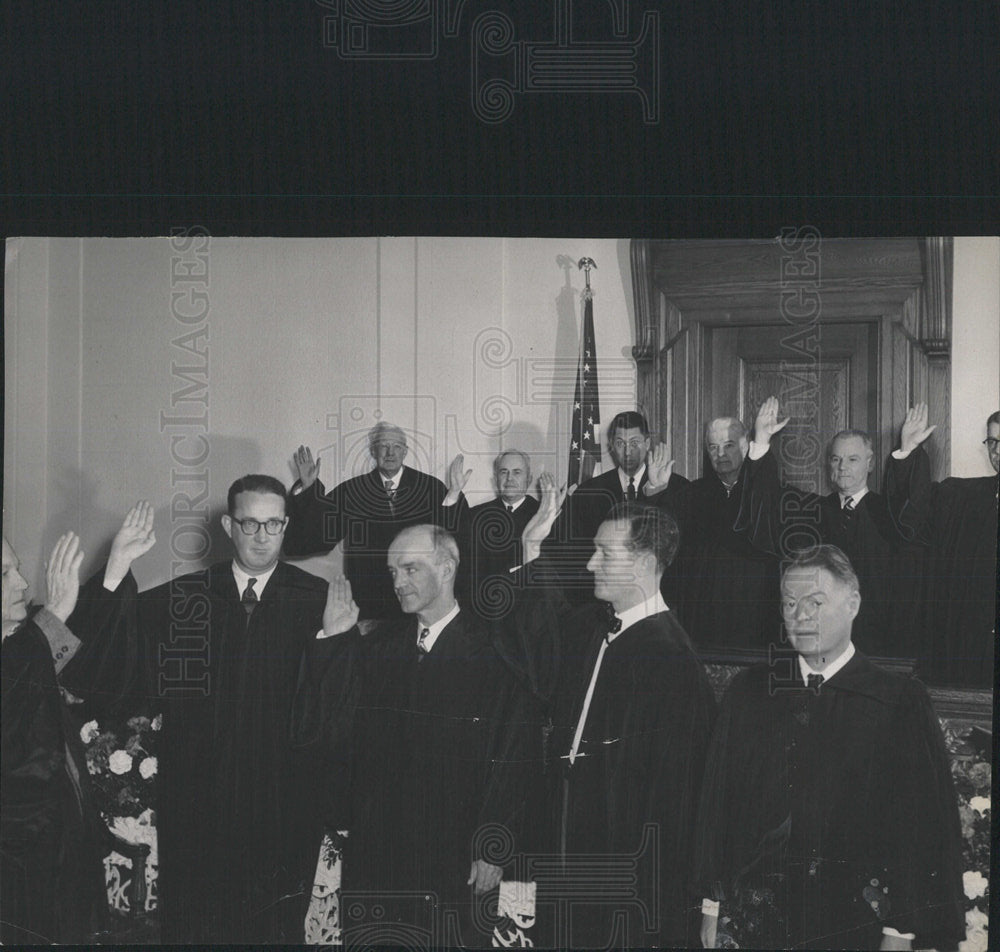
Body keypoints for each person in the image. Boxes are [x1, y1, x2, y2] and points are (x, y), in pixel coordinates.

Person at [62, 481, 330, 943]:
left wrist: (337, 643)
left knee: (273, 927)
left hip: (281, 804)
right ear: (229, 526)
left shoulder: (319, 601)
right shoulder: (184, 599)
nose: (262, 535)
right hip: (198, 801)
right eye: (250, 523)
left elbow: (336, 705)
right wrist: (116, 569)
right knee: (196, 926)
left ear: (286, 527)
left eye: (274, 524)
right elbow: (106, 666)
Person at [694, 545, 965, 950]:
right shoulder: (750, 693)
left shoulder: (897, 702)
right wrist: (711, 907)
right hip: (756, 921)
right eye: (789, 603)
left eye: (815, 602)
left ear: (853, 603)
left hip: (855, 925)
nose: (800, 615)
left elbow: (920, 829)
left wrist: (900, 930)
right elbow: (716, 809)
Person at [292, 524, 536, 947]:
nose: (397, 583)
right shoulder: (379, 646)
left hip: (454, 852)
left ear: (446, 567)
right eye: (392, 572)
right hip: (378, 849)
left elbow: (514, 756)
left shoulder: (495, 653)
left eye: (409, 569)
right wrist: (335, 639)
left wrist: (492, 845)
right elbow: (329, 731)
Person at [506, 478, 716, 947]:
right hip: (564, 853)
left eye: (604, 553)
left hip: (622, 883)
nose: (589, 563)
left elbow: (675, 805)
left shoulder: (674, 663)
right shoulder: (591, 625)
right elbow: (543, 638)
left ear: (643, 563)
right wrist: (531, 547)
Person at [736, 397, 932, 659]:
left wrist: (906, 451)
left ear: (870, 463)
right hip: (819, 645)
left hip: (879, 645)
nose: (842, 467)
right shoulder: (810, 510)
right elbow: (769, 502)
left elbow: (911, 514)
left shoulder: (887, 514)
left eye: (852, 459)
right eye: (836, 459)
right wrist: (761, 441)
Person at [2, 533, 108, 944]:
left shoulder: (18, 644)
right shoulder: (21, 652)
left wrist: (114, 569)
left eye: (17, 569)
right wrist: (57, 612)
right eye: (5, 573)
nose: (23, 584)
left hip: (58, 856)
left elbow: (66, 655)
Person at [284, 422, 467, 619]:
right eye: (383, 446)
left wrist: (454, 496)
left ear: (405, 452)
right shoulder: (352, 491)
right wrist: (309, 489)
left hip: (420, 603)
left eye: (397, 447)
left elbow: (452, 541)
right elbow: (315, 537)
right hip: (370, 604)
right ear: (373, 450)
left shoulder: (430, 487)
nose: (390, 452)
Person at [642, 416, 781, 649]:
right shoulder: (691, 494)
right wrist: (656, 490)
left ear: (746, 446)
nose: (720, 454)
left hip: (753, 617)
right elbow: (658, 539)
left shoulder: (765, 491)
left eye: (729, 445)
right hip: (700, 619)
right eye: (713, 447)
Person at [888, 409, 999, 686]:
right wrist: (909, 452)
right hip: (971, 655)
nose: (997, 451)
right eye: (992, 442)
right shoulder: (962, 499)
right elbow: (911, 522)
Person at [541, 410, 688, 602]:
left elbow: (674, 548)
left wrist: (656, 490)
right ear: (611, 445)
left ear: (648, 443)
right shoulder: (588, 492)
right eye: (620, 443)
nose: (628, 451)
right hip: (601, 608)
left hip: (658, 603)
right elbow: (571, 554)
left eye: (634, 443)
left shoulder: (678, 487)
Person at [455, 449, 540, 619]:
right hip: (481, 615)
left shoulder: (542, 516)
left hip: (527, 615)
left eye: (517, 472)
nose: (509, 479)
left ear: (529, 479)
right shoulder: (475, 515)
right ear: (496, 479)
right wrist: (453, 494)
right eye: (504, 472)